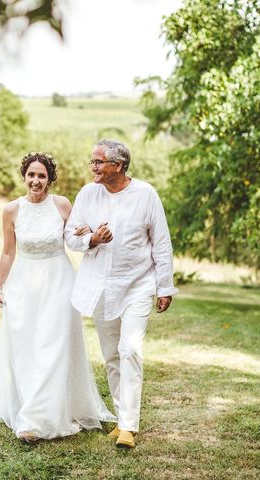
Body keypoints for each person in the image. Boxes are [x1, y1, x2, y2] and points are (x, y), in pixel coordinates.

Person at [0, 152, 115, 443]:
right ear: (24, 177)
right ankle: (31, 404)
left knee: (52, 347)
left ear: (49, 180)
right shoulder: (11, 210)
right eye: (31, 175)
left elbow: (76, 237)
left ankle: (33, 421)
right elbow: (8, 251)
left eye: (41, 176)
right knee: (27, 347)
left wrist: (89, 233)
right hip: (23, 285)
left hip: (59, 283)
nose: (35, 181)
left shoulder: (62, 205)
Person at [64, 139, 178, 449]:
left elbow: (162, 243)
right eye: (93, 161)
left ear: (119, 165)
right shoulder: (88, 194)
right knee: (112, 354)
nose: (93, 167)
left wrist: (165, 286)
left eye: (99, 162)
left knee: (130, 349)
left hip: (139, 285)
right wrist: (92, 239)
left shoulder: (145, 195)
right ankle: (121, 417)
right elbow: (69, 237)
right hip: (102, 287)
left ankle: (129, 426)